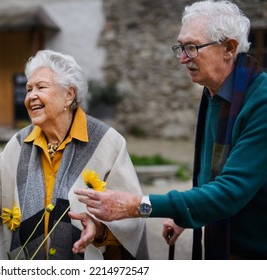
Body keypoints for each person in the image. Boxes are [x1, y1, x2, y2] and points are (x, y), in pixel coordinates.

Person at [75, 0, 267, 260]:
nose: (184, 58)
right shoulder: (216, 93)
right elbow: (210, 176)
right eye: (181, 47)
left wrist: (137, 205)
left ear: (229, 48)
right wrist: (186, 214)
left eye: (192, 47)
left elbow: (230, 191)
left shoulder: (260, 101)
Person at [0, 49, 148, 260]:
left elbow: (130, 217)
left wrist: (100, 230)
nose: (31, 96)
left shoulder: (106, 142)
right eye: (29, 89)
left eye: (41, 87)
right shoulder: (20, 143)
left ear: (69, 94)